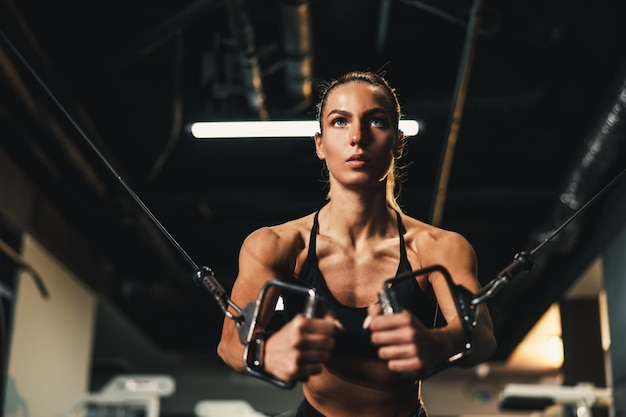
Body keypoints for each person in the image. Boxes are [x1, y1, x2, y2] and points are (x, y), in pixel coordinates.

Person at [217, 70, 497, 417]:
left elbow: (481, 335)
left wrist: (439, 342)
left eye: (376, 121)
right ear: (319, 144)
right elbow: (231, 342)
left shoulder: (438, 248)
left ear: (398, 141)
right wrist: (265, 352)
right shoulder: (276, 245)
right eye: (339, 122)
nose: (357, 137)